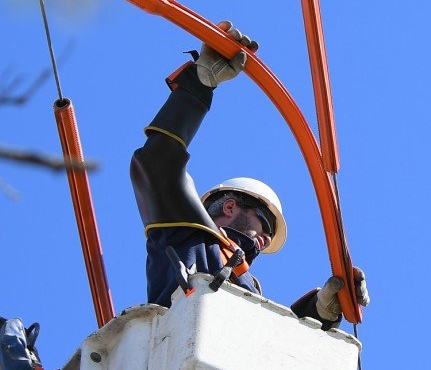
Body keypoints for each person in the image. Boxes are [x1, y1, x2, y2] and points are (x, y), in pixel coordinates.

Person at [130, 22, 366, 324]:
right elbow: (156, 164)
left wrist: (321, 312)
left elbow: (274, 349)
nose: (267, 239)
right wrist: (200, 83)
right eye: (265, 223)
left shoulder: (250, 289)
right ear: (230, 206)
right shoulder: (189, 237)